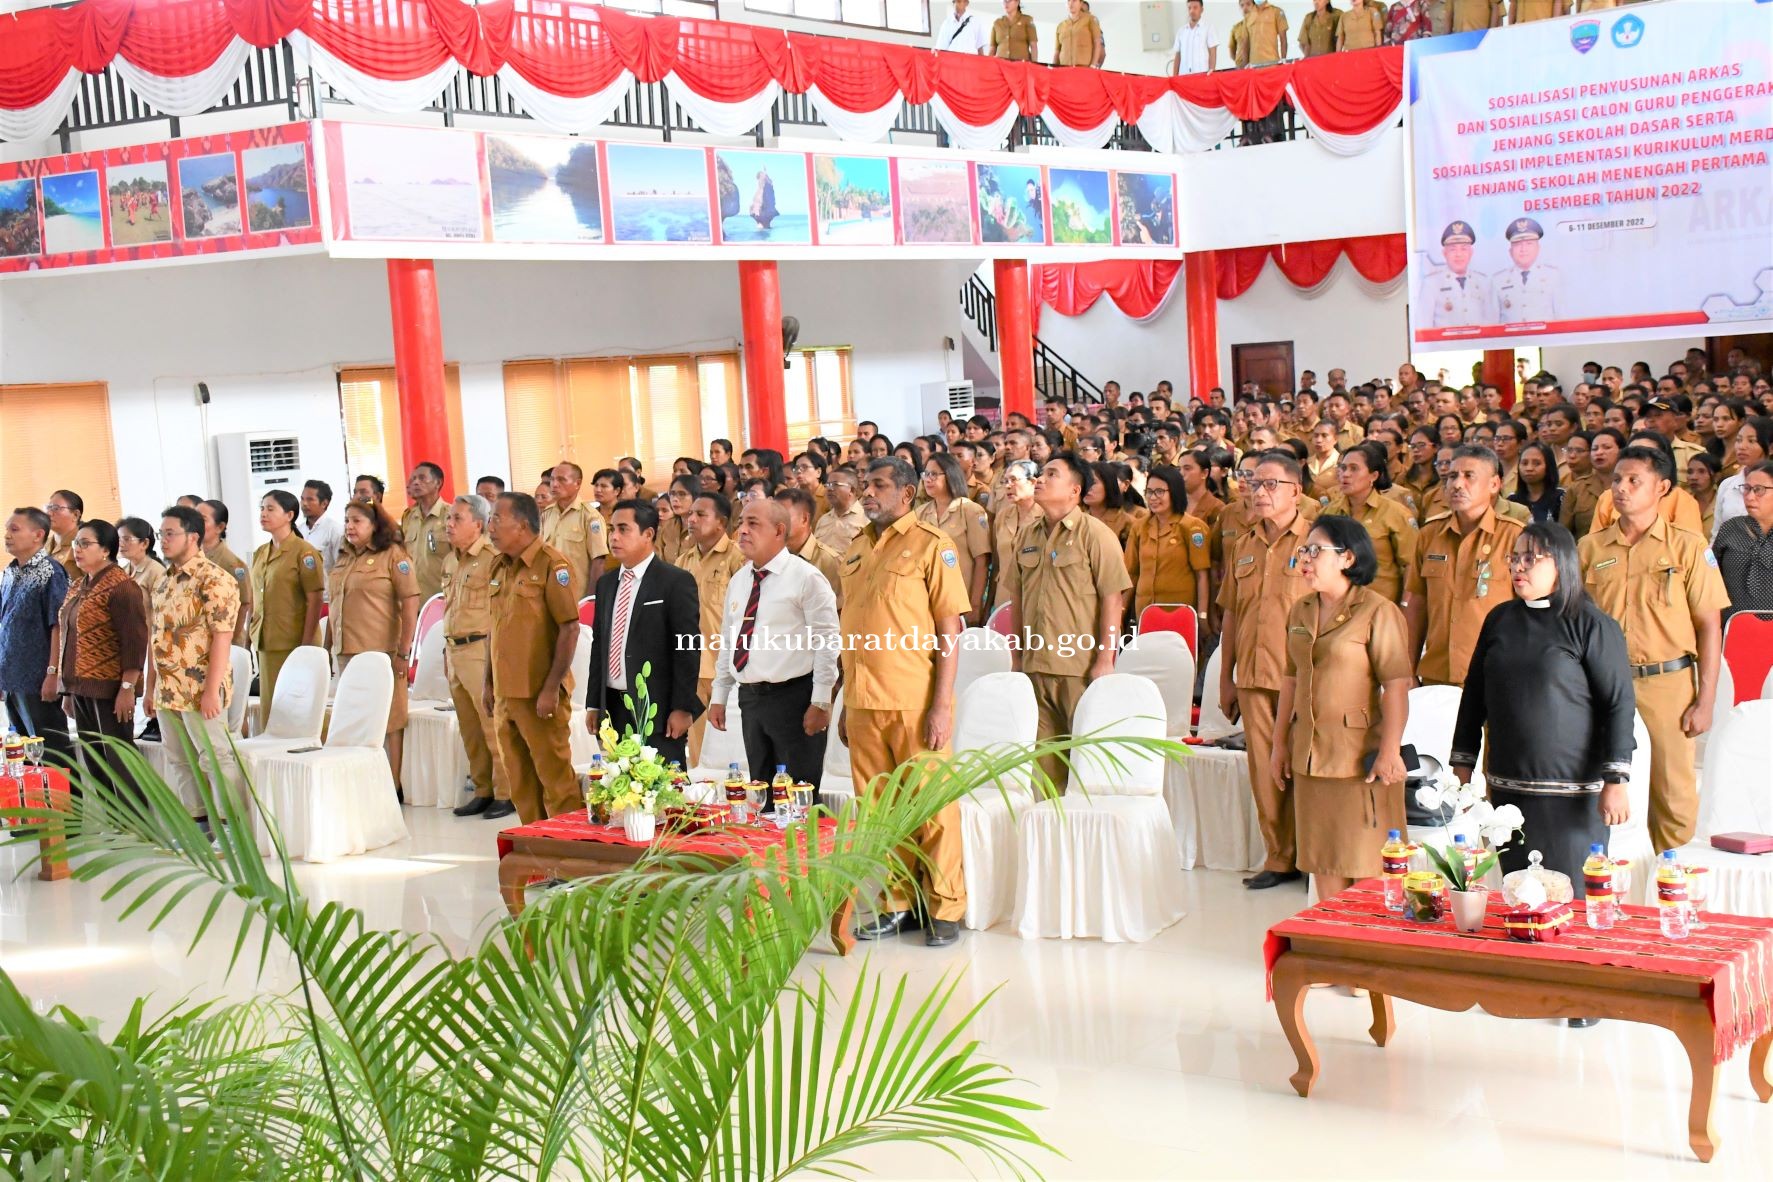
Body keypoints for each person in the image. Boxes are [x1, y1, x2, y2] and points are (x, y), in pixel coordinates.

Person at [1452, 522, 1634, 913]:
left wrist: (1616, 780)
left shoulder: (1592, 624)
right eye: (1514, 558)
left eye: (1530, 558)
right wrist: (1462, 765)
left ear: (1562, 563)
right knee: (1518, 900)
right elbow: (1474, 695)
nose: (1519, 567)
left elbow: (1618, 704)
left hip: (1571, 797)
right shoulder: (1499, 620)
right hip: (1507, 794)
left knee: (1568, 904)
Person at [839, 457, 971, 948]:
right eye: (864, 486)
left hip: (913, 698)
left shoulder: (934, 546)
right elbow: (848, 626)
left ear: (907, 494)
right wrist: (841, 699)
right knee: (878, 811)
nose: (866, 493)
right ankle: (897, 903)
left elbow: (949, 630)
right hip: (862, 699)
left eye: (877, 486)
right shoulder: (854, 550)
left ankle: (945, 907)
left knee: (932, 808)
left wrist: (942, 705)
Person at [1578, 446, 1728, 855]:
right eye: (1616, 481)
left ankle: (1674, 893)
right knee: (1597, 785)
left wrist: (1706, 699)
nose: (1621, 489)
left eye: (1633, 481)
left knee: (1672, 797)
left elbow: (1709, 625)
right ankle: (1599, 883)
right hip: (1604, 685)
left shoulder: (1689, 547)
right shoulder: (1590, 548)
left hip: (1668, 683)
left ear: (1662, 488)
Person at [1271, 515, 1412, 902]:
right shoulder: (1300, 610)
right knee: (1324, 861)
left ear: (1348, 558)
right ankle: (1331, 946)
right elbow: (1290, 679)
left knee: (1367, 864)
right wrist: (1280, 744)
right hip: (1312, 756)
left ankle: (1371, 951)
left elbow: (1397, 685)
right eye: (1303, 551)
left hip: (1360, 761)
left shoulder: (1377, 611)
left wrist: (1389, 751)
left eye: (1316, 551)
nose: (1306, 559)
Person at [1000, 455, 1131, 789]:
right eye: (1041, 474)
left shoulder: (1096, 535)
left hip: (1080, 666)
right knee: (1043, 771)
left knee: (1088, 765)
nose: (1041, 479)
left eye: (1051, 474)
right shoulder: (1027, 534)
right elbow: (1018, 599)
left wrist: (1105, 659)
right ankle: (1051, 837)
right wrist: (1017, 658)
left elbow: (1112, 599)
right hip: (1036, 665)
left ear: (1075, 489)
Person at [1217, 452, 1314, 889]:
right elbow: (1232, 614)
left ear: (1297, 490)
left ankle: (1314, 854)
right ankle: (1279, 857)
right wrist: (1225, 676)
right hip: (1255, 675)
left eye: (1271, 484)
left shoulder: (1316, 540)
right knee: (1264, 768)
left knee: (1306, 765)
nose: (1260, 492)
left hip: (1306, 674)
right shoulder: (1244, 543)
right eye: (1254, 483)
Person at [708, 499, 840, 790]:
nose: (742, 530)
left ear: (779, 531)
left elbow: (828, 642)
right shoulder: (740, 579)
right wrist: (720, 694)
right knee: (760, 794)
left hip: (795, 698)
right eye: (740, 522)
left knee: (797, 797)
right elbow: (730, 640)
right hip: (751, 699)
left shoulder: (806, 577)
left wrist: (821, 700)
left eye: (753, 524)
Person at [143, 504, 242, 821]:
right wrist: (150, 687)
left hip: (200, 687)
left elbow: (222, 638)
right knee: (179, 759)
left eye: (170, 534)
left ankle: (231, 829)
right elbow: (154, 637)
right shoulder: (165, 581)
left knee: (214, 757)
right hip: (168, 688)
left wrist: (212, 691)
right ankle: (199, 825)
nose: (163, 541)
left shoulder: (214, 580)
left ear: (193, 536)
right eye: (161, 534)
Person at [587, 501, 703, 769]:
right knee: (623, 785)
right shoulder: (606, 583)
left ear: (648, 534)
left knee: (665, 790)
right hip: (614, 703)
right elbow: (599, 646)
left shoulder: (674, 581)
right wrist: (594, 702)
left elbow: (687, 648)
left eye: (623, 529)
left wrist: (682, 706)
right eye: (611, 529)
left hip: (657, 704)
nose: (613, 537)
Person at [485, 493, 580, 823]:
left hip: (539, 695)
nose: (490, 526)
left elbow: (569, 628)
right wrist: (488, 683)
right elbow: (495, 630)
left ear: (522, 525)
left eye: (498, 518)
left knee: (556, 782)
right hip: (505, 694)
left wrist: (552, 687)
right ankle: (536, 854)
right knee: (520, 784)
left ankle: (571, 856)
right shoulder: (499, 566)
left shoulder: (553, 565)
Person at [48, 519, 147, 790]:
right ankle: (112, 824)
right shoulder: (79, 585)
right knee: (96, 761)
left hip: (111, 689)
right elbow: (68, 635)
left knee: (119, 761)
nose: (77, 549)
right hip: (81, 688)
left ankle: (136, 827)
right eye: (76, 543)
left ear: (105, 550)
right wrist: (68, 690)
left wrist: (127, 687)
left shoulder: (122, 587)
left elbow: (134, 642)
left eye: (85, 544)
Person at [329, 501, 420, 789]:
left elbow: (410, 603)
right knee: (357, 717)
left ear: (374, 525)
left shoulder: (393, 555)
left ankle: (393, 785)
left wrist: (404, 651)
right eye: (346, 521)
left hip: (382, 651)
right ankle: (364, 782)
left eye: (357, 521)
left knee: (391, 719)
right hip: (348, 651)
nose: (349, 527)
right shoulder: (344, 557)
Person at [442, 495, 512, 820]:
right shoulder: (450, 560)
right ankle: (482, 789)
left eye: (457, 519)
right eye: (449, 518)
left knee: (489, 724)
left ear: (478, 525)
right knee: (468, 727)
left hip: (479, 649)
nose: (449, 524)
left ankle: (505, 791)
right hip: (454, 650)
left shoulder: (492, 558)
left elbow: (501, 610)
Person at [674, 491, 745, 766]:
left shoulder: (737, 558)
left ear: (721, 522)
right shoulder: (683, 561)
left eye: (700, 515)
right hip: (691, 665)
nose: (691, 519)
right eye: (690, 514)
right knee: (699, 751)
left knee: (734, 749)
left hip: (727, 668)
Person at [2, 507, 72, 767]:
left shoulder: (50, 572)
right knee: (21, 755)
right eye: (7, 529)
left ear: (38, 535)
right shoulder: (9, 572)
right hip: (12, 677)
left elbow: (58, 626)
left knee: (52, 752)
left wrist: (53, 673)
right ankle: (34, 806)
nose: (7, 535)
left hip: (38, 677)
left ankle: (67, 806)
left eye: (14, 529)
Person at [249, 491, 324, 731]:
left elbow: (315, 599)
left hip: (294, 640)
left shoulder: (305, 552)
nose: (263, 514)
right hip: (267, 639)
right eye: (262, 508)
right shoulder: (261, 553)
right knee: (271, 707)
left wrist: (306, 642)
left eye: (271, 509)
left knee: (297, 707)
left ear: (289, 515)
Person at [1319, 442, 1417, 604]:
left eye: (1354, 468)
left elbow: (1411, 566)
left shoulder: (1395, 514)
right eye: (1343, 468)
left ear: (1374, 476)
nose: (1345, 474)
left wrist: (1405, 606)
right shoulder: (1328, 513)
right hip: (1336, 605)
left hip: (1379, 604)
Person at [1125, 465, 1212, 619]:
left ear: (1175, 492)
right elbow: (1132, 573)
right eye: (1149, 492)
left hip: (1179, 613)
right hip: (1145, 612)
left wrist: (1202, 614)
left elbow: (1202, 576)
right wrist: (1121, 610)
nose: (1152, 498)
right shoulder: (1139, 527)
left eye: (1159, 492)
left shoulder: (1192, 527)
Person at [916, 455, 991, 626]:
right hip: (928, 601)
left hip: (961, 602)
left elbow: (982, 562)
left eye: (934, 474)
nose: (928, 479)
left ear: (950, 475)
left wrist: (975, 605)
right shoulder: (920, 513)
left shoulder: (970, 510)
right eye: (926, 474)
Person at [539, 462, 610, 600]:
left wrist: (590, 599)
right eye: (552, 479)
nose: (554, 484)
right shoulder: (546, 514)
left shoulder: (590, 516)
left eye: (561, 480)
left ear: (577, 483)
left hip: (577, 596)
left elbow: (598, 561)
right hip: (550, 594)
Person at [1712, 461, 1773, 619]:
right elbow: (1711, 578)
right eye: (1746, 489)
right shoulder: (1730, 528)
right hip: (1733, 626)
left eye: (1759, 490)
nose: (1750, 497)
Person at [776, 487, 844, 611]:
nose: (776, 523)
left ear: (804, 519)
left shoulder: (828, 561)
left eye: (783, 516)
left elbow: (837, 611)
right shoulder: (771, 557)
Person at [197, 499, 252, 648]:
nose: (195, 524)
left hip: (226, 644)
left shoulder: (233, 564)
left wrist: (230, 641)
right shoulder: (192, 559)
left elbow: (244, 604)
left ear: (220, 527)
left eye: (202, 519)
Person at [1417, 221, 1489, 327]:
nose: (1458, 254)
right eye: (1452, 249)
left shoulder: (1483, 282)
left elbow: (1492, 323)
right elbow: (1423, 325)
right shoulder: (1431, 284)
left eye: (1463, 249)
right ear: (1444, 253)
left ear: (1471, 252)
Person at [1713, 416, 1773, 539]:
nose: (1742, 446)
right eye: (1739, 440)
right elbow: (1716, 535)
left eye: (1751, 441)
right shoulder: (1727, 485)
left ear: (1771, 448)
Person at [1492, 218, 1560, 324]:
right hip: (1511, 339)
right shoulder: (1497, 280)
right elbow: (1493, 323)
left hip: (1544, 338)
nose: (1523, 249)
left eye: (1529, 243)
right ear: (1510, 251)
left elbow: (1562, 319)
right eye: (1518, 244)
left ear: (1538, 248)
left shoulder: (1554, 276)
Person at [399, 462, 450, 601]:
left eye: (422, 478)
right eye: (413, 479)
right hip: (413, 599)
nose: (415, 482)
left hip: (442, 598)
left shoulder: (450, 515)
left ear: (438, 483)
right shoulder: (408, 517)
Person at [1558, 432, 1605, 538]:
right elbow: (1564, 530)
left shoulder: (1605, 481)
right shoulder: (1562, 480)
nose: (1572, 456)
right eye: (1569, 450)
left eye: (1579, 451)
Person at [814, 466, 868, 554]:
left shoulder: (865, 519)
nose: (829, 489)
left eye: (835, 485)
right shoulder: (823, 520)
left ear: (852, 490)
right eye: (828, 485)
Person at [1508, 440, 1563, 525]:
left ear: (1549, 466)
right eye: (1524, 463)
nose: (1529, 468)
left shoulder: (1561, 498)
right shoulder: (1512, 500)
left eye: (1537, 463)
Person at [117, 517, 166, 612]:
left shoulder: (156, 572)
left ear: (144, 543)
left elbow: (163, 611)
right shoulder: (121, 571)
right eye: (118, 539)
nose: (121, 544)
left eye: (126, 539)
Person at [296, 479, 343, 574]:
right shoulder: (298, 530)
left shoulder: (335, 531)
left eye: (310, 499)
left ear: (324, 503)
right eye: (302, 499)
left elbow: (341, 568)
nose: (304, 503)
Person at [1169, 0, 1217, 75]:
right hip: (1183, 76)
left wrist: (1212, 72)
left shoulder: (1208, 28)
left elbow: (1213, 52)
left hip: (1202, 76)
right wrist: (1174, 77)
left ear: (1201, 10)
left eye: (1195, 8)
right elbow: (1177, 56)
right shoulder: (1181, 31)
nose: (1192, 11)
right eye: (1189, 8)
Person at [1052, 0, 1103, 67]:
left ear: (1081, 3)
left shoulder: (1090, 19)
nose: (1070, 3)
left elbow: (1097, 43)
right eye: (1069, 1)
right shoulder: (1061, 25)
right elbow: (1057, 51)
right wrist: (1053, 69)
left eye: (1074, 1)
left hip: (1083, 69)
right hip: (1064, 70)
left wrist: (1093, 66)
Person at [45, 490, 82, 581]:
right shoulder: (43, 545)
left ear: (75, 515)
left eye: (56, 508)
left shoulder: (84, 544)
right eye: (48, 508)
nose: (49, 513)